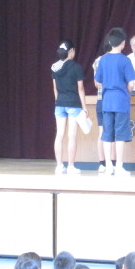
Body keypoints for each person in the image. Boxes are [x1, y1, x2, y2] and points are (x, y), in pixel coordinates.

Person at [94, 28, 135, 176]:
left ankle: (108, 166)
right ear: (123, 43)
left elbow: (98, 81)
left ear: (110, 42)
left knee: (107, 134)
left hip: (106, 101)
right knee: (120, 134)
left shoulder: (103, 59)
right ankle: (119, 166)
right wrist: (126, 92)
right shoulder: (125, 60)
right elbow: (131, 83)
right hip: (121, 101)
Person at [52, 40, 88, 175]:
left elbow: (55, 88)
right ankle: (71, 166)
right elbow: (81, 88)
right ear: (71, 51)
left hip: (59, 103)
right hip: (73, 103)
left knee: (59, 135)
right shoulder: (76, 67)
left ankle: (59, 166)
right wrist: (84, 106)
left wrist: (58, 101)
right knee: (71, 136)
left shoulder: (55, 67)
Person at [92, 42, 114, 173]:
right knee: (113, 132)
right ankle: (113, 163)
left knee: (102, 131)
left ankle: (102, 163)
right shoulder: (118, 59)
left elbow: (96, 83)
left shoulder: (98, 60)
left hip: (101, 98)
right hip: (112, 99)